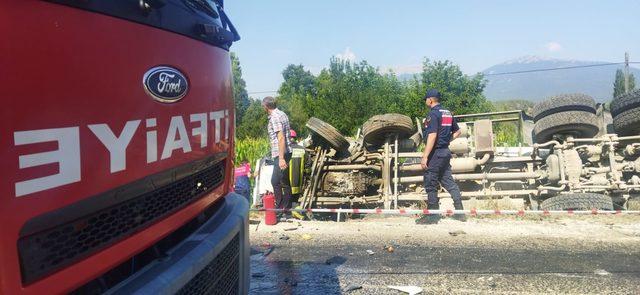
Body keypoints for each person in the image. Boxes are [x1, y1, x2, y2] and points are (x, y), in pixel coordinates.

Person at [416, 89, 466, 224]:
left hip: (435, 154)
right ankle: (460, 213)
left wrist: (425, 156)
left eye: (426, 99)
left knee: (430, 183)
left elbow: (432, 136)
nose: (425, 101)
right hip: (445, 152)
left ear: (430, 100)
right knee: (448, 181)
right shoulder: (447, 113)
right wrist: (446, 140)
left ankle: (432, 216)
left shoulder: (433, 114)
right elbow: (458, 131)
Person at [262, 96, 293, 218]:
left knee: (275, 181)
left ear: (266, 106)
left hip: (281, 153)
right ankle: (286, 209)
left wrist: (281, 158)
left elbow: (280, 137)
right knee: (284, 181)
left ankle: (281, 209)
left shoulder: (274, 117)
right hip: (286, 151)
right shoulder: (282, 114)